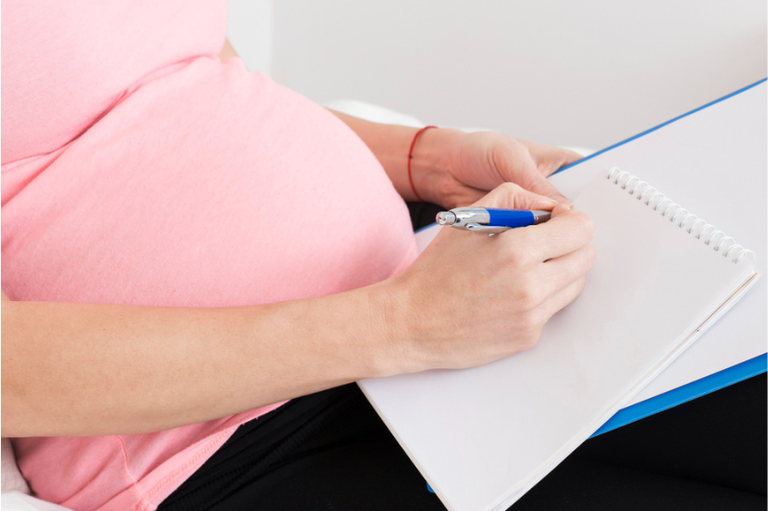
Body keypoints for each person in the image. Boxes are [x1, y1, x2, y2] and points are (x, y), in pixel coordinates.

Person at [4, 3, 764, 511]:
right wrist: (405, 324)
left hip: (421, 268)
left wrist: (418, 156)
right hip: (226, 434)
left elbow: (192, 69)